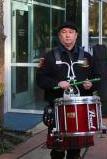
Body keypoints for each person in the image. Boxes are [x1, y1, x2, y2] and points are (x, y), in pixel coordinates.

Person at [36, 21, 96, 159]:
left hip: (80, 109)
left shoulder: (87, 56)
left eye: (71, 32)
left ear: (76, 36)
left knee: (75, 152)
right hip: (57, 108)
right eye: (64, 32)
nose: (67, 35)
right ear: (59, 36)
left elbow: (97, 77)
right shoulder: (49, 57)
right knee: (57, 150)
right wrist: (57, 83)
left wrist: (91, 85)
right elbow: (40, 79)